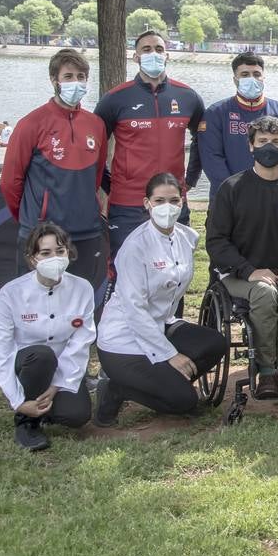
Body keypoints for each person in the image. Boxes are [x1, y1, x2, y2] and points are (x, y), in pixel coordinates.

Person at [93, 173, 228, 424]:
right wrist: (169, 355)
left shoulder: (188, 237)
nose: (167, 207)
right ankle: (117, 388)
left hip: (161, 324)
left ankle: (166, 381)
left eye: (174, 200)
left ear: (182, 201)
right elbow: (135, 310)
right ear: (147, 204)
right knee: (184, 401)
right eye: (159, 201)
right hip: (123, 340)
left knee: (215, 343)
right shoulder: (135, 246)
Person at [206, 115, 278, 400]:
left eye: (275, 142)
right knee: (263, 292)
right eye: (262, 142)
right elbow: (217, 241)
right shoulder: (232, 189)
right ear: (250, 146)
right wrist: (248, 271)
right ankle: (266, 372)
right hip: (239, 276)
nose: (268, 147)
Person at [0, 48, 109, 303]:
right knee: (33, 301)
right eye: (68, 76)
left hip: (86, 230)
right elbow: (10, 182)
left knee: (81, 300)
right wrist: (31, 219)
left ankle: (80, 343)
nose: (76, 82)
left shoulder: (96, 124)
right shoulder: (31, 123)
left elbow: (95, 176)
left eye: (81, 77)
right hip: (42, 232)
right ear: (54, 80)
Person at [94, 29, 205, 259]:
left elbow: (201, 139)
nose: (153, 53)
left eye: (158, 49)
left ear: (167, 55)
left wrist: (191, 180)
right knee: (125, 274)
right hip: (127, 204)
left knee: (175, 274)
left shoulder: (188, 97)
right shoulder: (115, 98)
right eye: (146, 49)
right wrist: (107, 184)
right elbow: (94, 146)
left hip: (173, 202)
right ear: (135, 57)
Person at [0, 222, 96, 451]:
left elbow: (80, 343)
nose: (54, 258)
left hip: (61, 369)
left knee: (77, 415)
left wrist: (57, 386)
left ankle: (45, 405)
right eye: (45, 253)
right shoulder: (11, 293)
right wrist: (18, 402)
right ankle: (27, 422)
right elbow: (1, 352)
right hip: (24, 364)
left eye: (60, 251)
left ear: (69, 252)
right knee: (42, 355)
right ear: (32, 258)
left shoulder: (82, 288)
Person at [195, 52, 278, 203]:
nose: (252, 78)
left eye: (256, 74)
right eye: (245, 74)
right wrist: (235, 190)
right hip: (227, 197)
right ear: (235, 80)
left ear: (263, 77)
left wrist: (273, 186)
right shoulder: (216, 113)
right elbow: (211, 158)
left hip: (272, 196)